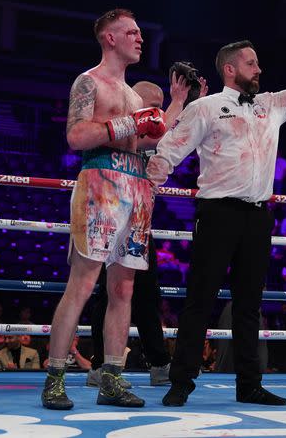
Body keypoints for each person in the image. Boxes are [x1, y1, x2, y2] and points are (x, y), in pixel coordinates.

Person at [146, 0, 286, 407]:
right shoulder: (206, 108)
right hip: (217, 213)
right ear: (230, 69)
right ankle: (181, 382)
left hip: (257, 215)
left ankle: (249, 384)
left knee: (250, 305)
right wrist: (144, 193)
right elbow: (168, 152)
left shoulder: (271, 105)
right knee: (200, 300)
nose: (259, 68)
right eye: (251, 62)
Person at [41, 8, 166, 410]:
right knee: (82, 284)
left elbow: (142, 143)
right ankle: (55, 377)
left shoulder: (132, 95)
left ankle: (112, 377)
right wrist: (129, 125)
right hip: (99, 183)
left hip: (136, 187)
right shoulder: (88, 81)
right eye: (131, 32)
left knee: (124, 288)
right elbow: (77, 136)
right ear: (109, 38)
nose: (139, 38)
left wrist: (176, 108)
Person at [87, 73, 205, 389]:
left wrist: (195, 104)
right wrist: (179, 103)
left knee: (146, 293)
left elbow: (176, 135)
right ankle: (100, 366)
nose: (158, 114)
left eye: (159, 107)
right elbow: (158, 133)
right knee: (108, 294)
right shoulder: (122, 127)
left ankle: (157, 362)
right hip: (110, 214)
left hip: (138, 219)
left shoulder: (156, 129)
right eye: (152, 107)